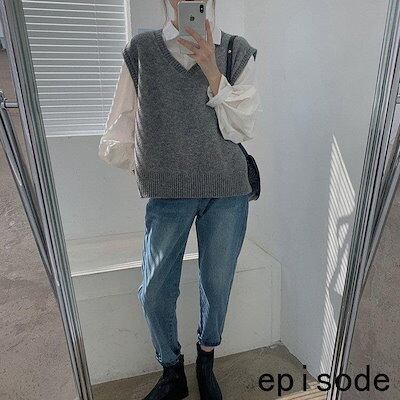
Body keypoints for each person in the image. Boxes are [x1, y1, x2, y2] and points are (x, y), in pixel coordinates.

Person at [104, 1, 259, 398]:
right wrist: (151, 167)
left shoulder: (235, 50)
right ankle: (172, 372)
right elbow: (123, 121)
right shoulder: (142, 50)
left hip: (227, 190)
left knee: (216, 285)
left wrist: (211, 68)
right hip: (169, 193)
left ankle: (206, 360)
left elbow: (242, 127)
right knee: (155, 290)